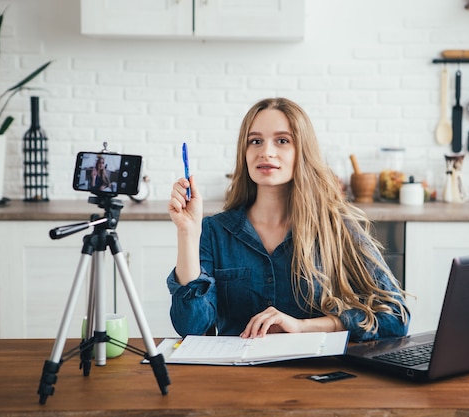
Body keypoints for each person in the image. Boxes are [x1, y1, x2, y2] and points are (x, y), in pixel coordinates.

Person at [167, 97, 409, 342]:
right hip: (237, 376)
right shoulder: (213, 232)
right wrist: (187, 233)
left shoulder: (335, 226)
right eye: (255, 141)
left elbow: (396, 317)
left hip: (315, 374)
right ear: (245, 153)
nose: (266, 152)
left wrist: (302, 326)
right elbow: (191, 327)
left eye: (282, 141)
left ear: (301, 151)